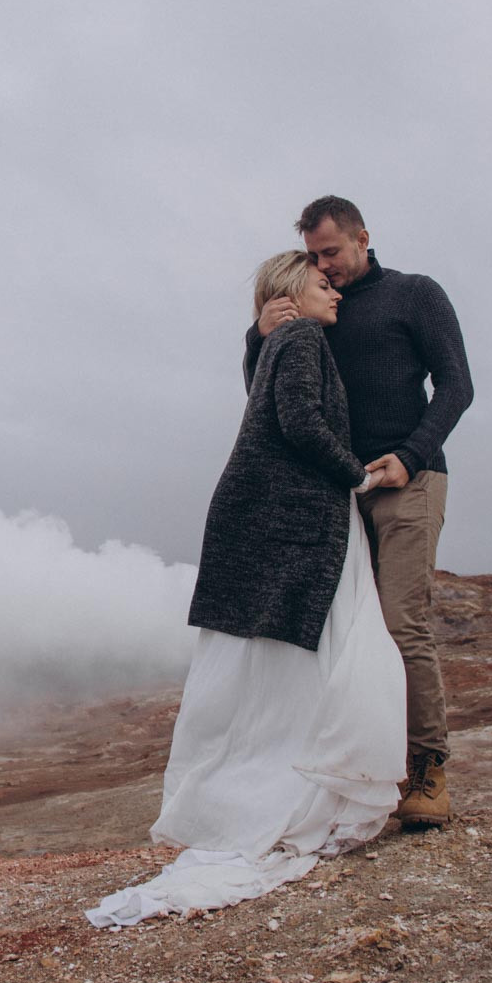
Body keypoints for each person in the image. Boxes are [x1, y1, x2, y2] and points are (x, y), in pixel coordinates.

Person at [87, 252, 406, 927]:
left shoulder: (283, 340)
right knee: (335, 652)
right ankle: (296, 796)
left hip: (271, 514)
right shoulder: (302, 337)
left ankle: (258, 792)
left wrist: (257, 336)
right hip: (296, 517)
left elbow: (268, 404)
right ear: (291, 291)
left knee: (279, 663)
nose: (336, 295)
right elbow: (298, 419)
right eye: (323, 284)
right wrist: (358, 475)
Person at [247, 196, 473, 828]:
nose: (324, 266)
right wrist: (258, 336)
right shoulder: (313, 304)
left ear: (363, 238)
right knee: (350, 635)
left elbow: (457, 385)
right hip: (336, 490)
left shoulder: (414, 294)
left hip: (409, 479)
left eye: (331, 253)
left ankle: (428, 770)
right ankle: (372, 772)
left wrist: (411, 454)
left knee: (401, 623)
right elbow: (267, 393)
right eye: (314, 256)